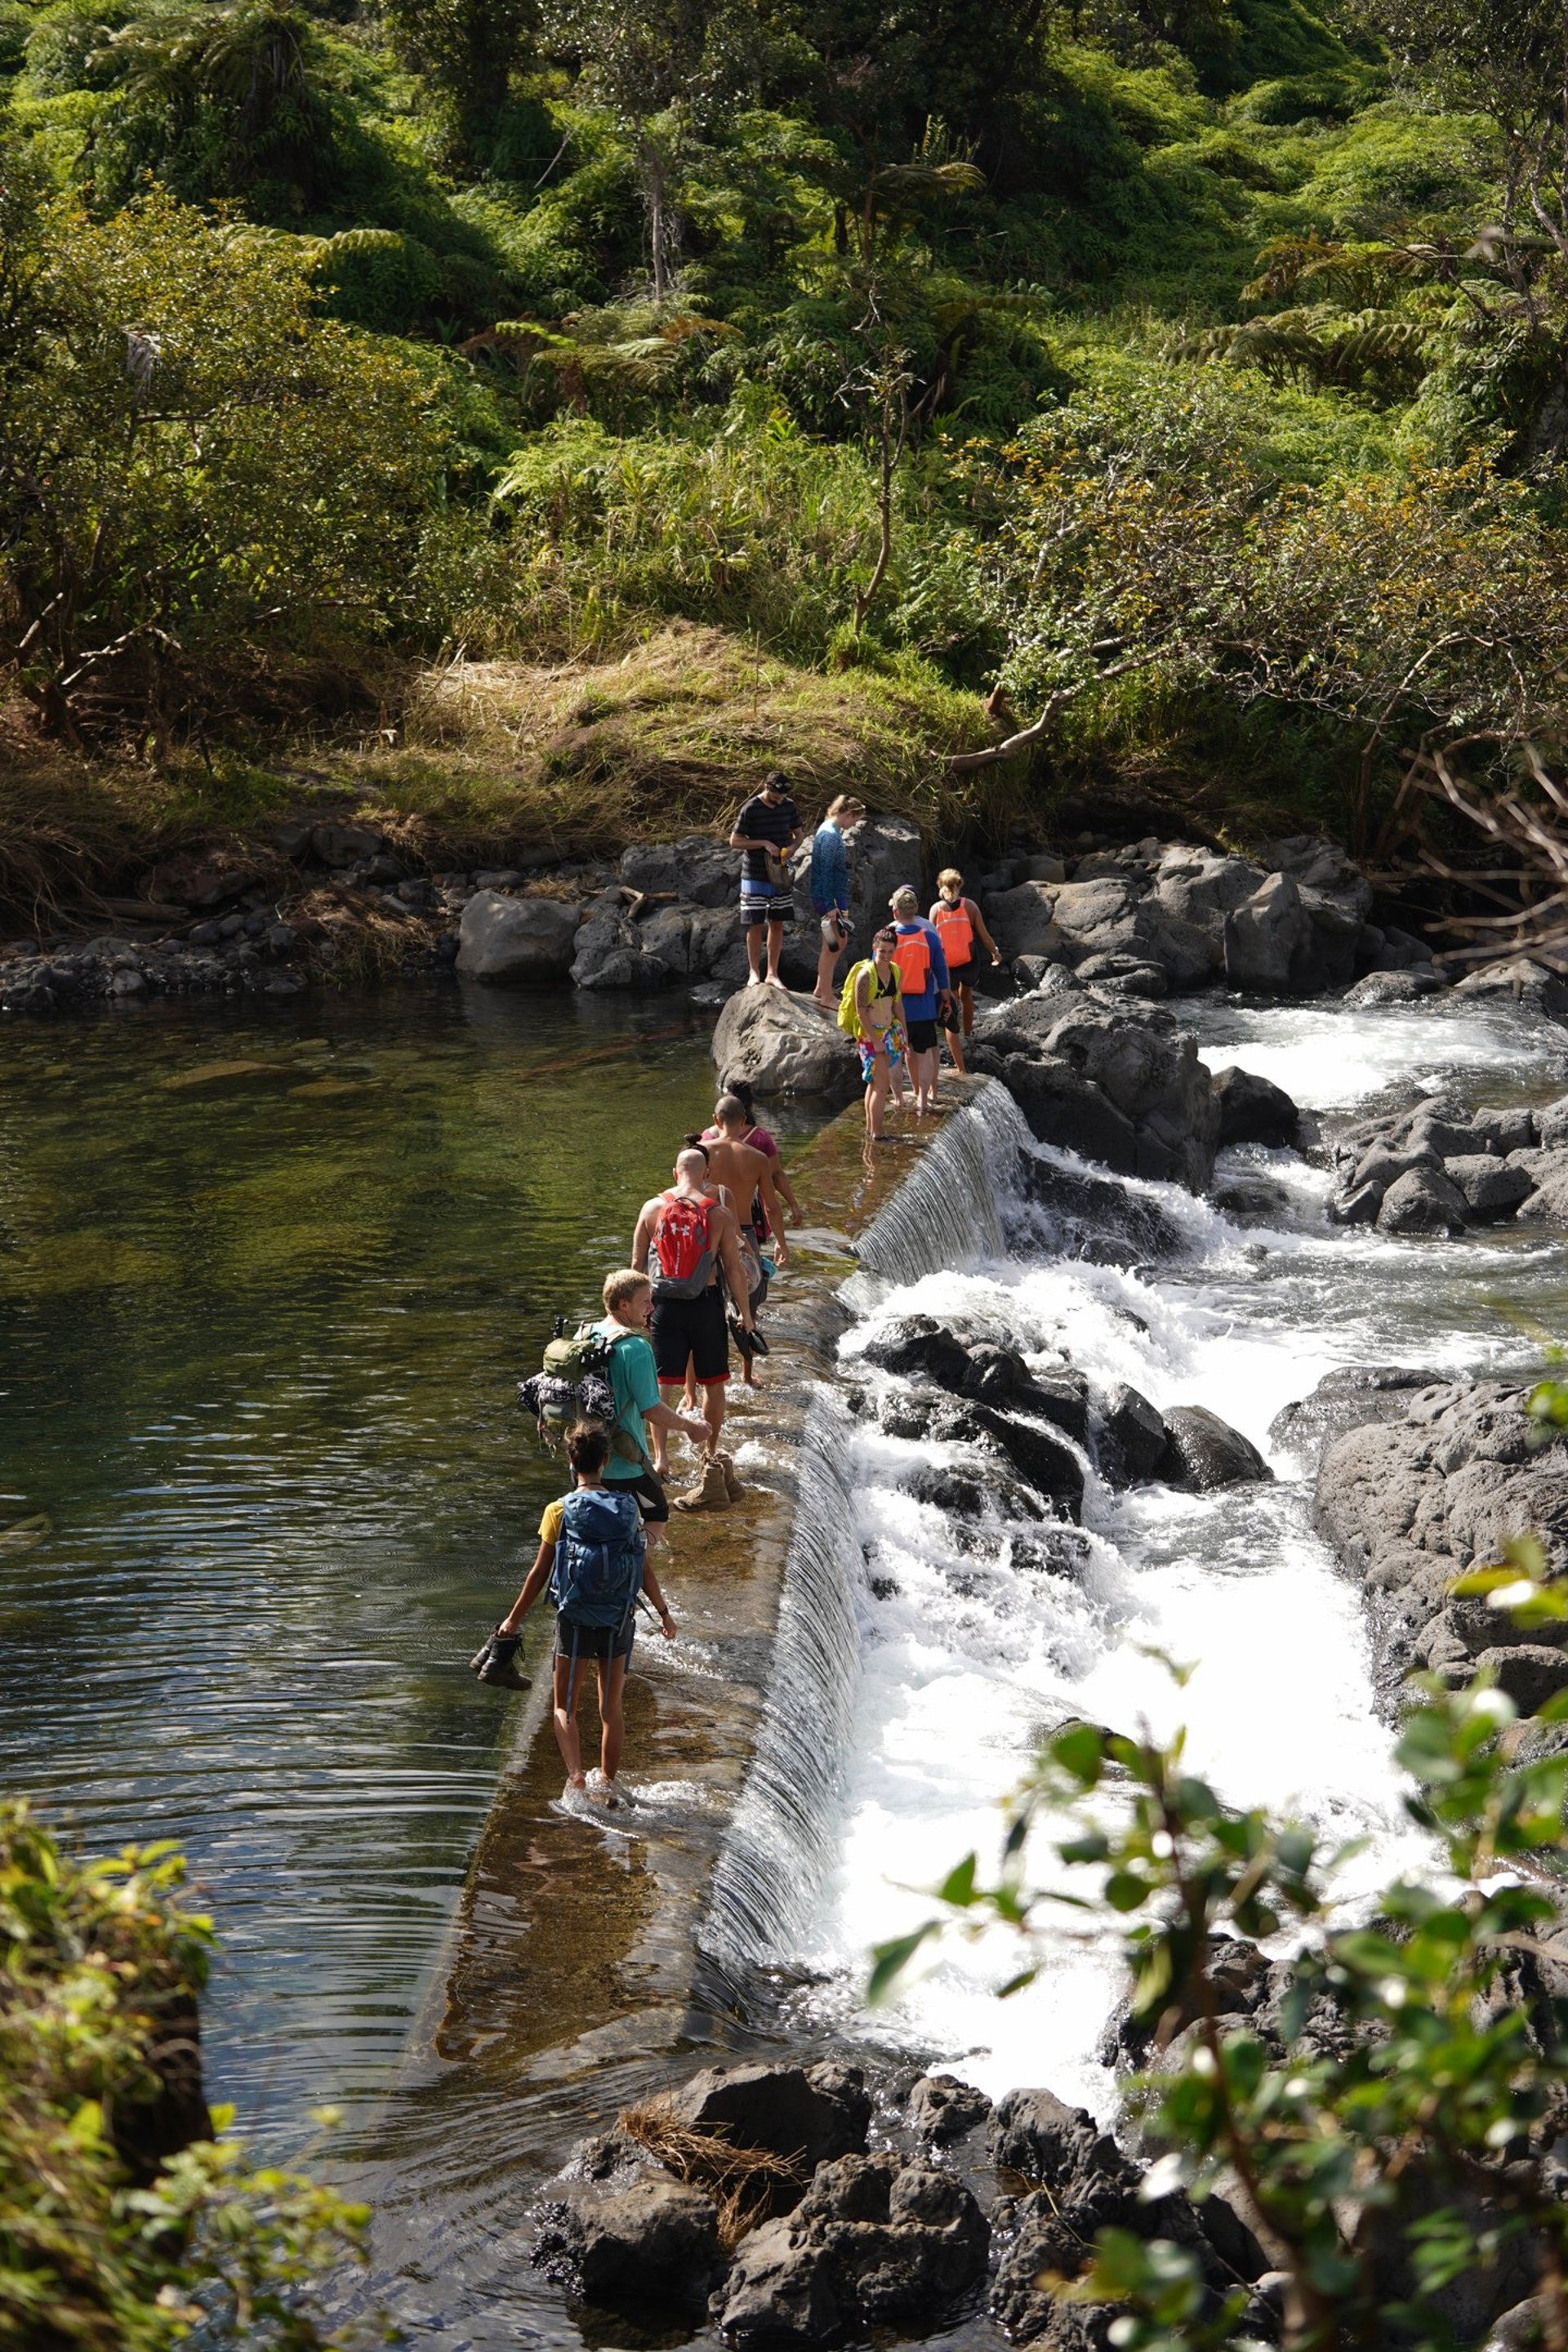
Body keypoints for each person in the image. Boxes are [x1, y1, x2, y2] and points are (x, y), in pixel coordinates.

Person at [470, 1267, 706, 1690]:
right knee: (652, 1521)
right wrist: (692, 1428)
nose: (652, 1308)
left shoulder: (589, 1334)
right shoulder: (634, 1348)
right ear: (622, 1305)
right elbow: (652, 1410)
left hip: (585, 1460)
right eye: (645, 1302)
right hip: (623, 1466)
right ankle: (616, 1597)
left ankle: (501, 1643)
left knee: (549, 1560)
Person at [492, 1422, 676, 1810]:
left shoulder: (558, 1510)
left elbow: (539, 1574)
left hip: (574, 1619)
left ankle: (576, 1778)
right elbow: (642, 1568)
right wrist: (663, 1613)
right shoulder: (628, 1509)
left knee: (565, 1707)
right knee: (611, 1709)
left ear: (570, 1461)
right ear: (606, 1461)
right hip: (617, 1620)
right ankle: (607, 1781)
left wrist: (513, 1620)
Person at [631, 1147, 755, 1508]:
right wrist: (745, 1314)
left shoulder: (651, 1209)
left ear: (674, 1173)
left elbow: (637, 1265)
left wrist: (639, 1312)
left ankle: (661, 1458)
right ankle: (710, 1452)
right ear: (706, 1175)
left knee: (662, 1385)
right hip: (706, 1304)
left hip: (664, 1305)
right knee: (713, 1383)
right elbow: (733, 1268)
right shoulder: (719, 1213)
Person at [696, 1098, 787, 1388]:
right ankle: (747, 1375)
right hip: (743, 1233)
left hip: (707, 1230)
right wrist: (782, 1242)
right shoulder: (757, 1157)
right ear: (744, 1119)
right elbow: (771, 1206)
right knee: (747, 1303)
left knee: (699, 1304)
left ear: (716, 1119)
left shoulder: (701, 1153)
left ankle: (692, 1392)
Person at [729, 770, 803, 988]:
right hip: (754, 873)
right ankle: (754, 973)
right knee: (755, 923)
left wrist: (792, 848)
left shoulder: (788, 806)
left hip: (779, 872)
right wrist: (762, 843)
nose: (779, 800)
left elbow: (799, 835)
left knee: (778, 922)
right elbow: (735, 841)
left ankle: (772, 973)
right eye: (775, 795)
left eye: (782, 796)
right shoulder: (751, 808)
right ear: (766, 788)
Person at [929, 868, 1003, 1076]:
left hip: (947, 965)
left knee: (951, 1003)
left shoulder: (935, 910)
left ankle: (956, 1051)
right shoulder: (969, 906)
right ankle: (968, 1036)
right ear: (960, 884)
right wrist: (994, 953)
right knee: (967, 995)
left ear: (939, 885)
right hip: (970, 962)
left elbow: (932, 942)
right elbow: (984, 934)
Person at [888, 884, 951, 1117]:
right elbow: (941, 972)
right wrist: (946, 999)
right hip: (924, 1009)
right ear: (915, 910)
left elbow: (874, 972)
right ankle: (923, 1100)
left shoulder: (886, 936)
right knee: (924, 1055)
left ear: (895, 912)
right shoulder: (929, 937)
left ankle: (898, 1099)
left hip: (894, 1010)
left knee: (895, 1055)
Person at [845, 926, 906, 1157]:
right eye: (882, 952)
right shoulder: (865, 976)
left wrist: (904, 1031)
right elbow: (861, 1011)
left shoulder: (896, 972)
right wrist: (874, 1040)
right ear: (874, 949)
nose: (886, 956)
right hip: (871, 1036)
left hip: (890, 1032)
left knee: (874, 1085)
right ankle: (878, 1133)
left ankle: (872, 1131)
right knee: (881, 1087)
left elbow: (897, 1003)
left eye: (891, 951)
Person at [809, 794, 865, 1009]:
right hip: (828, 898)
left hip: (831, 897)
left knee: (836, 942)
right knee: (833, 945)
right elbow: (825, 874)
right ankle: (826, 995)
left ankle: (820, 988)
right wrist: (830, 906)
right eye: (855, 821)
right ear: (848, 814)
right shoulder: (831, 836)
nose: (854, 825)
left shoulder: (827, 829)